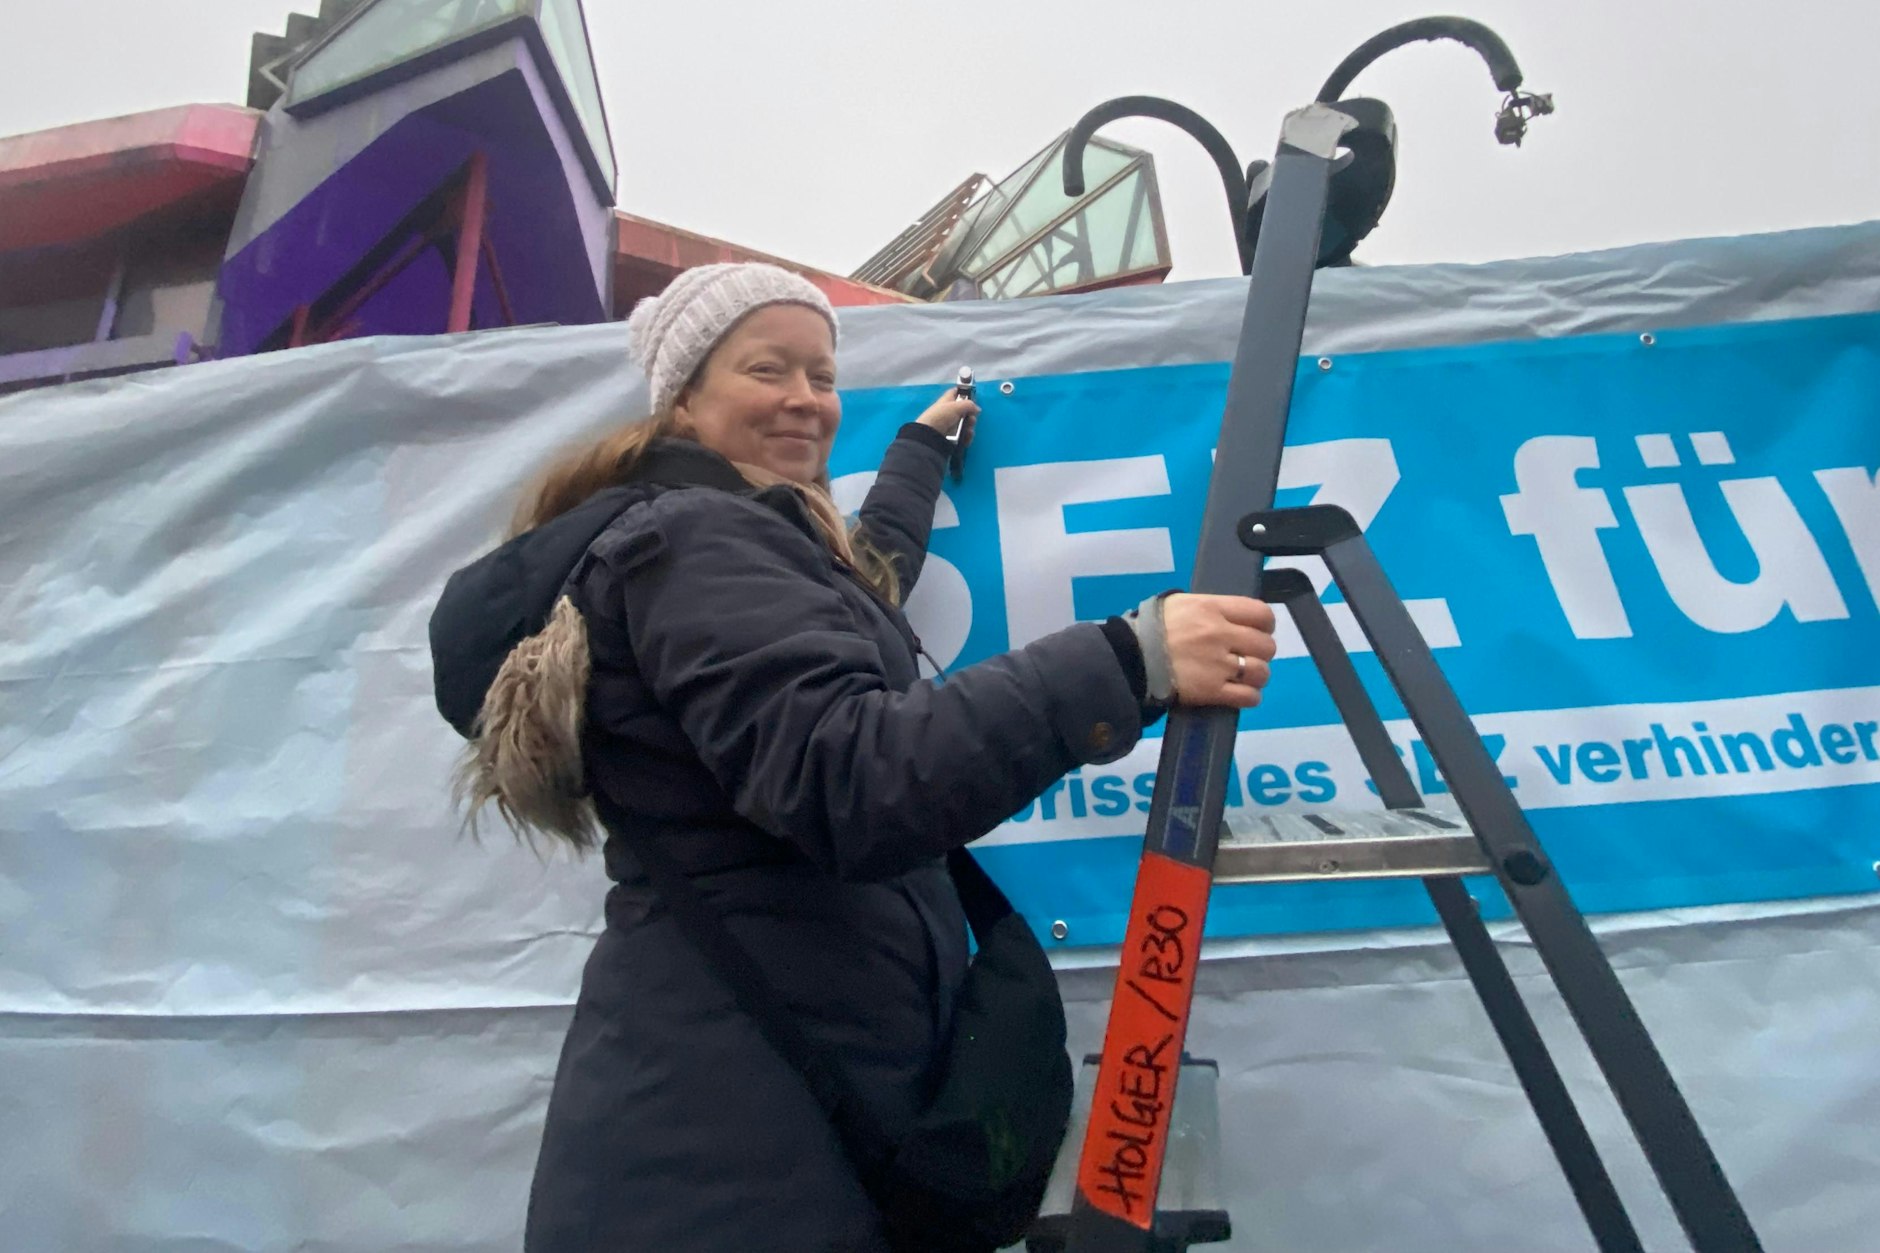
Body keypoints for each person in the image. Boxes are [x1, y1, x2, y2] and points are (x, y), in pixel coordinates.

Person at [427, 262, 1278, 1251]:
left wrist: (918, 450)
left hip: (754, 1116)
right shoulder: (691, 542)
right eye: (767, 370)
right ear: (686, 398)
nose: (805, 400)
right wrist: (1130, 659)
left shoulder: (729, 538)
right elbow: (852, 776)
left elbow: (861, 590)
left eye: (822, 377)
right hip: (728, 1165)